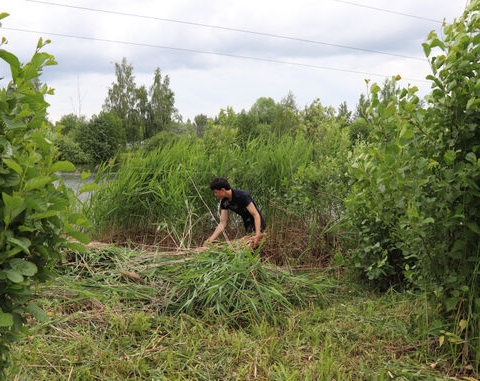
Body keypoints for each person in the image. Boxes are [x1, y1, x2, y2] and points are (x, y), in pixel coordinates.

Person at [204, 177, 266, 248]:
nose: (215, 195)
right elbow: (222, 223)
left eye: (216, 192)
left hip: (257, 222)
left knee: (257, 245)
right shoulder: (224, 202)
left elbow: (256, 215)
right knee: (250, 247)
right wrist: (211, 239)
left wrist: (258, 234)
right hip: (247, 222)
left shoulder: (242, 196)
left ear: (223, 190)